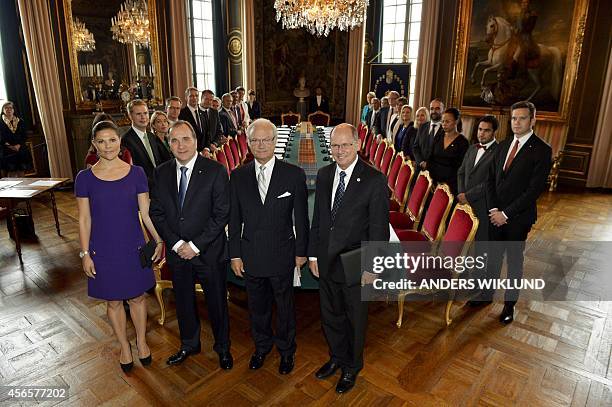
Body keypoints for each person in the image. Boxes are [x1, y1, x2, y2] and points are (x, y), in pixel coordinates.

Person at [75, 120, 163, 373]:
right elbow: (84, 219)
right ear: (94, 144)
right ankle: (124, 346)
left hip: (132, 246)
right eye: (101, 141)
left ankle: (142, 342)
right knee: (113, 302)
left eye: (112, 140)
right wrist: (84, 254)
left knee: (137, 297)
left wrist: (158, 240)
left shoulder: (136, 173)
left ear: (119, 141)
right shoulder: (85, 178)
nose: (107, 145)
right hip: (102, 249)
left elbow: (145, 215)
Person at [308, 124, 389, 394]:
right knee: (330, 315)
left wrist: (373, 267)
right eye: (335, 146)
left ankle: (352, 366)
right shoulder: (324, 174)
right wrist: (312, 254)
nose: (339, 151)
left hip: (356, 262)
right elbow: (318, 220)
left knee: (355, 318)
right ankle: (336, 357)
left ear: (357, 145)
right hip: (326, 259)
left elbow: (379, 228)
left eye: (345, 145)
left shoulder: (374, 179)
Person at [149, 120, 233, 369]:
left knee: (217, 303)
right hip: (177, 254)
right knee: (184, 301)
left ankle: (223, 347)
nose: (180, 145)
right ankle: (189, 344)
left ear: (195, 141)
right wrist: (175, 245)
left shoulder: (215, 171)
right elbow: (157, 212)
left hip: (208, 252)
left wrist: (195, 245)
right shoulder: (161, 172)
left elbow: (221, 214)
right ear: (169, 143)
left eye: (186, 139)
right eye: (174, 140)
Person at [229, 119, 309, 375]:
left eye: (266, 140)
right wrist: (235, 255)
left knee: (285, 308)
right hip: (251, 254)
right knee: (257, 307)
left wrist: (301, 252)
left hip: (283, 253)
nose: (261, 145)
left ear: (275, 141)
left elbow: (301, 219)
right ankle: (261, 347)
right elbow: (233, 219)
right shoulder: (238, 176)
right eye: (255, 140)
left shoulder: (293, 174)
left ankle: (287, 351)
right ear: (248, 143)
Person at [482, 101, 552, 323]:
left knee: (513, 262)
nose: (517, 122)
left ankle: (509, 306)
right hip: (495, 215)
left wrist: (506, 214)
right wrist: (494, 210)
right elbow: (490, 180)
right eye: (513, 118)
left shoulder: (542, 150)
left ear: (532, 120)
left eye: (522, 118)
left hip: (518, 218)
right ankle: (486, 295)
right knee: (492, 257)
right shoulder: (502, 145)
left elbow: (534, 190)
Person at [457, 115, 499, 242]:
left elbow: (490, 181)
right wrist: (461, 193)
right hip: (464, 202)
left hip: (482, 204)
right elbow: (461, 172)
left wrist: (468, 195)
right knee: (461, 239)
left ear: (494, 132)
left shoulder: (499, 152)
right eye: (480, 129)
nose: (482, 133)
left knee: (480, 242)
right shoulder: (472, 147)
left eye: (487, 130)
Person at [121, 99, 171, 185]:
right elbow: (132, 170)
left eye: (145, 113)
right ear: (130, 116)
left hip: (160, 184)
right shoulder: (126, 140)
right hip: (143, 187)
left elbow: (160, 162)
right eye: (138, 114)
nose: (143, 117)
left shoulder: (152, 137)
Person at [427, 108, 469, 194]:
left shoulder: (463, 142)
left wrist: (446, 186)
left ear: (456, 121)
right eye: (442, 121)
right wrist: (430, 179)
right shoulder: (438, 136)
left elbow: (461, 167)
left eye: (447, 121)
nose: (444, 124)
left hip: (450, 186)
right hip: (433, 182)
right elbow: (430, 158)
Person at [413, 98, 445, 170]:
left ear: (443, 111)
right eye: (432, 108)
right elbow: (415, 147)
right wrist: (421, 162)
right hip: (419, 168)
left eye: (437, 109)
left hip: (435, 171)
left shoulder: (445, 130)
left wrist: (429, 165)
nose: (434, 111)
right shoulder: (422, 127)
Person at [1, 101, 31, 177]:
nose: (8, 110)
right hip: (7, 150)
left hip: (20, 149)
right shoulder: (0, 122)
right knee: (11, 173)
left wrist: (18, 145)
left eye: (10, 108)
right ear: (3, 110)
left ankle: (23, 188)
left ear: (14, 110)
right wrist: (10, 146)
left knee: (21, 171)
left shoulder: (20, 121)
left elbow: (24, 135)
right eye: (6, 108)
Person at [199, 89, 224, 154]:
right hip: (201, 150)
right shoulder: (196, 112)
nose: (209, 102)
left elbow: (219, 131)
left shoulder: (214, 112)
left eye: (211, 100)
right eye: (206, 99)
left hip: (214, 148)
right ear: (201, 98)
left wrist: (215, 144)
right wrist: (207, 147)